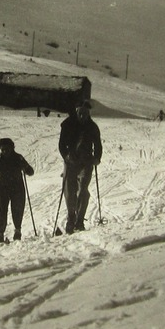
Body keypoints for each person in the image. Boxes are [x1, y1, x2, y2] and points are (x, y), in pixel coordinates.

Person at [59, 100, 103, 233]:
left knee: (83, 190)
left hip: (86, 162)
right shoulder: (67, 124)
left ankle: (79, 220)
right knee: (69, 190)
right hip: (71, 161)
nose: (83, 115)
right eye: (80, 112)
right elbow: (61, 145)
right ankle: (71, 218)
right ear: (76, 111)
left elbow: (98, 145)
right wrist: (66, 156)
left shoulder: (92, 127)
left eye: (85, 112)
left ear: (88, 113)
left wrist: (97, 158)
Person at [0, 138, 34, 242]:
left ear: (12, 148)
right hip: (4, 187)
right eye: (3, 149)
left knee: (17, 209)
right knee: (2, 210)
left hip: (17, 187)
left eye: (7, 149)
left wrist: (26, 168)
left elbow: (30, 171)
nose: (5, 151)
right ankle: (0, 233)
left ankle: (17, 231)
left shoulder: (18, 158)